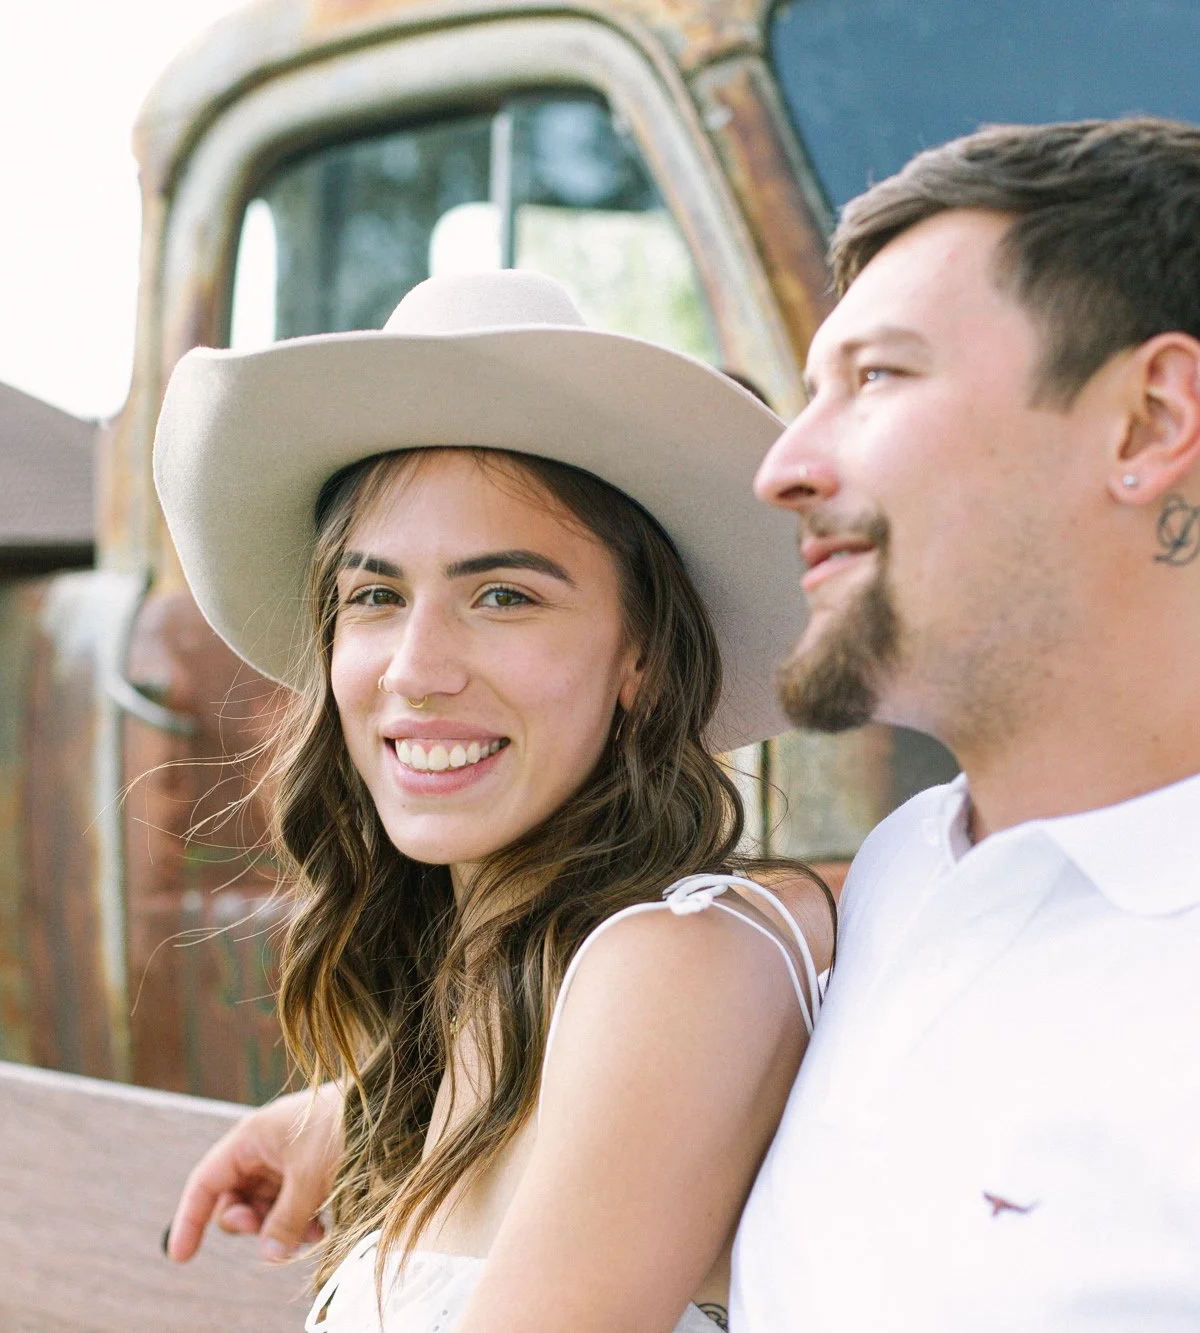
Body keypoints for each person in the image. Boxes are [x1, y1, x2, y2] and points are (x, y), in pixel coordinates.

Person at [175, 118, 1200, 1330]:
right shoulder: (911, 890)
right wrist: (376, 1101)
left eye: (875, 378)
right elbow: (668, 1004)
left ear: (1149, 427)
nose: (783, 471)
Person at [152, 268, 833, 1333]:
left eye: (503, 596)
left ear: (641, 656)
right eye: (374, 596)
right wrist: (370, 1104)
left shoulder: (676, 961)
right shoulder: (484, 1005)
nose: (415, 668)